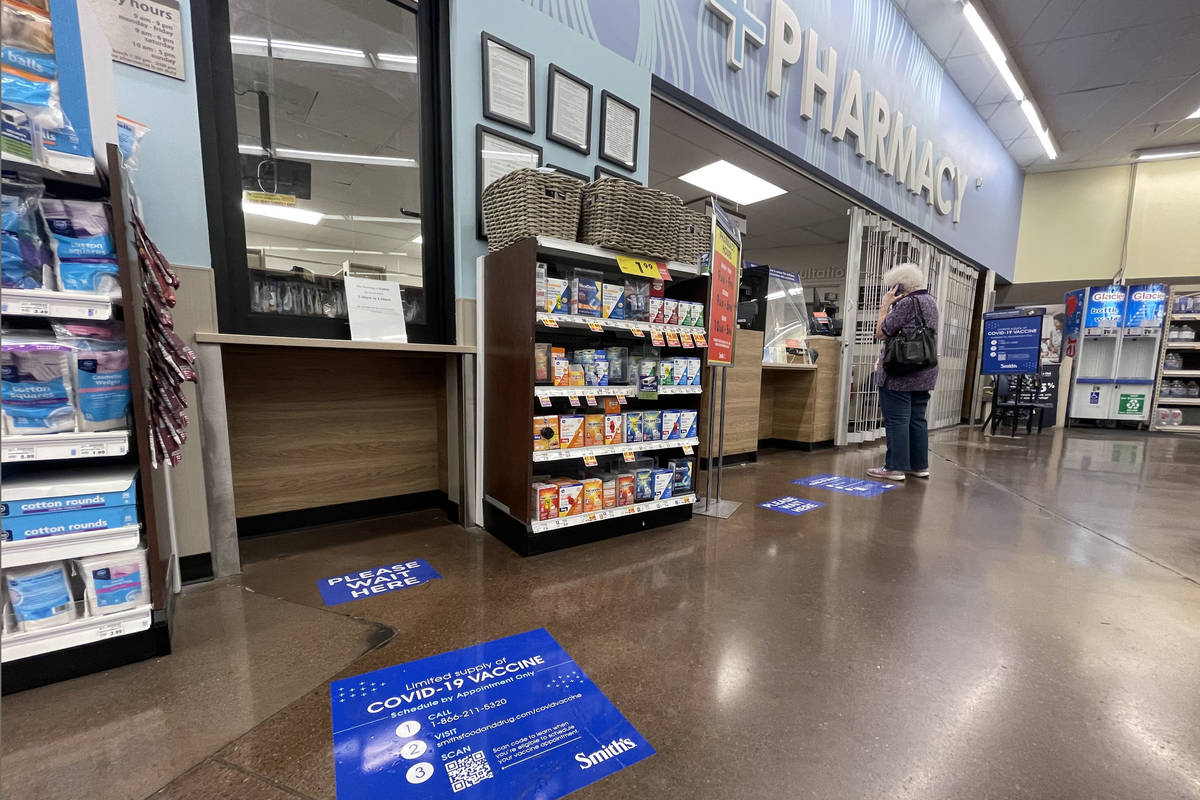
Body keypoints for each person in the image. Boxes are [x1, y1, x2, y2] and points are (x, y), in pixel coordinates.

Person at [867, 263, 939, 482]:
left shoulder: (907, 303)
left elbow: (882, 332)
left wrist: (885, 306)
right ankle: (919, 466)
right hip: (924, 370)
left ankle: (895, 467)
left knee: (897, 419)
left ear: (900, 286)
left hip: (900, 372)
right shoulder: (930, 301)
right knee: (917, 419)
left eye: (893, 287)